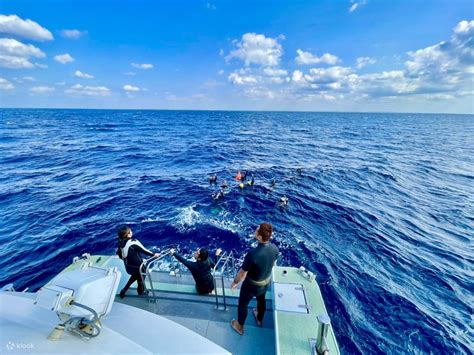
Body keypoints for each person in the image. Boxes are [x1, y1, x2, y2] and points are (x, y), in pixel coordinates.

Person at [230, 223, 278, 335]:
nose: (255, 231)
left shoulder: (252, 254)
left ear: (260, 237)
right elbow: (273, 263)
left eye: (257, 230)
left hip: (251, 286)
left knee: (243, 304)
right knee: (261, 300)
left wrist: (235, 282)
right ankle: (259, 319)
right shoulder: (275, 248)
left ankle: (240, 327)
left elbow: (242, 274)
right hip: (265, 283)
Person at [116, 225, 160, 298]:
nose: (131, 232)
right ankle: (140, 291)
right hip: (139, 267)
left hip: (128, 268)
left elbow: (121, 256)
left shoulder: (120, 244)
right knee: (141, 276)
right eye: (130, 231)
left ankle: (124, 290)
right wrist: (154, 254)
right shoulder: (133, 242)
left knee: (135, 275)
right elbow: (145, 251)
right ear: (128, 234)